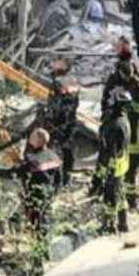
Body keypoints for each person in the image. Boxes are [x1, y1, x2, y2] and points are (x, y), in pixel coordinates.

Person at [0, 128, 63, 236]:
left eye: (32, 136)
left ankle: (30, 243)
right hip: (47, 195)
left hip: (33, 198)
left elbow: (13, 173)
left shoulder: (33, 160)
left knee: (33, 224)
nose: (30, 138)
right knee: (42, 222)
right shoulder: (54, 156)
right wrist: (53, 194)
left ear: (37, 141)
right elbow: (59, 180)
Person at [97, 88, 133, 233]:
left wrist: (103, 170)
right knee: (120, 192)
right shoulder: (124, 119)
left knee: (110, 196)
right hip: (122, 162)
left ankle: (109, 226)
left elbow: (109, 150)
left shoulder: (114, 125)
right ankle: (123, 224)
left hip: (114, 165)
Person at [41, 59, 80, 188]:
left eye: (57, 63)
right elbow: (74, 102)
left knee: (54, 151)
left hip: (57, 124)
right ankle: (66, 177)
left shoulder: (57, 83)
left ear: (63, 67)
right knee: (68, 149)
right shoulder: (73, 81)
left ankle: (55, 181)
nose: (53, 64)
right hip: (70, 122)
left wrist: (48, 120)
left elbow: (55, 105)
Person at [101, 37, 139, 120]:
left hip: (125, 95)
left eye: (119, 46)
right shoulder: (129, 60)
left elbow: (129, 77)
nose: (116, 48)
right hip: (122, 93)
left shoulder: (129, 62)